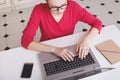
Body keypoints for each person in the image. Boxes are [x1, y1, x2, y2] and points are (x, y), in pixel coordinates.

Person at [21, 0, 102, 62]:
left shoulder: (73, 6)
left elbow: (97, 23)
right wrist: (54, 49)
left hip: (68, 46)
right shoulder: (38, 10)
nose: (60, 11)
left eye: (63, 5)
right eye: (53, 7)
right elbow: (25, 41)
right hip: (47, 48)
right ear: (46, 2)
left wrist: (86, 41)